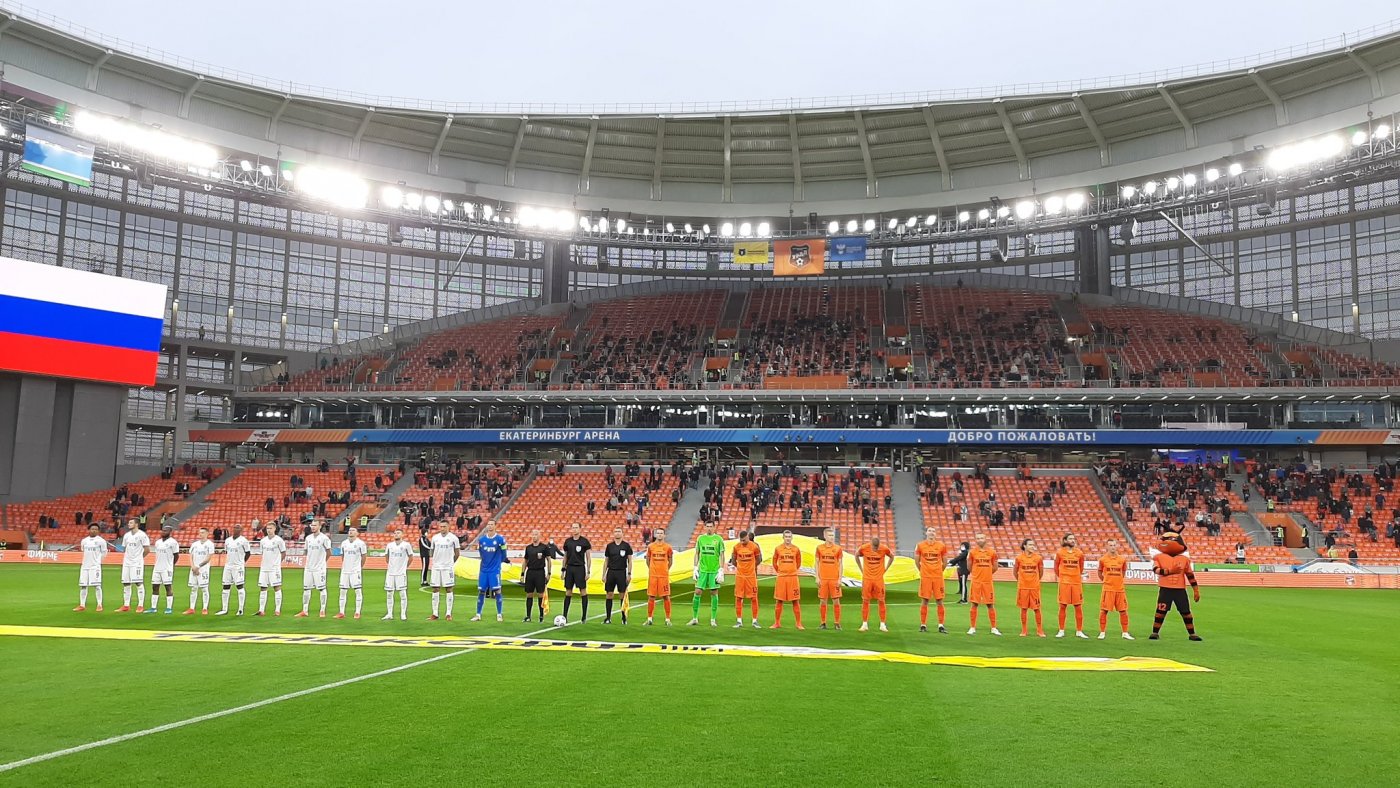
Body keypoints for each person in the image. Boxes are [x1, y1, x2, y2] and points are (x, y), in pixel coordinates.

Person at [1150, 548, 1203, 641]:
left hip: (1180, 590)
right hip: (1165, 589)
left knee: (1186, 612)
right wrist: (1170, 571)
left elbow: (1190, 575)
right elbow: (1155, 570)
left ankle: (1192, 634)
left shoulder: (1185, 559)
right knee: (1160, 612)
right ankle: (1155, 632)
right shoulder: (1158, 557)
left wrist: (1196, 590)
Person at [690, 521, 726, 627]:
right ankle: (694, 618)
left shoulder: (718, 539)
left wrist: (721, 569)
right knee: (697, 591)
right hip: (703, 570)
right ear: (705, 527)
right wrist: (695, 567)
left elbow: (722, 555)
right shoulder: (701, 539)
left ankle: (713, 619)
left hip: (714, 570)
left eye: (711, 526)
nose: (709, 528)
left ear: (714, 527)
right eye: (707, 526)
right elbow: (697, 553)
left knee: (714, 593)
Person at [1054, 532, 1089, 639]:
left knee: (1078, 606)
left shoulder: (1079, 553)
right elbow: (1056, 568)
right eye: (1070, 539)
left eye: (1074, 538)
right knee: (1062, 606)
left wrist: (1075, 576)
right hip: (1064, 583)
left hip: (1076, 583)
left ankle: (1079, 631)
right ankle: (1061, 630)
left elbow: (1081, 567)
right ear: (1065, 540)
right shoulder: (1060, 552)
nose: (1073, 540)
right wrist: (1063, 577)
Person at [914, 527, 949, 633]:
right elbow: (917, 561)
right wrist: (922, 571)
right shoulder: (920, 545)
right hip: (926, 577)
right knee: (925, 600)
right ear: (926, 533)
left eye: (933, 531)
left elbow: (945, 562)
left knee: (939, 600)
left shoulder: (941, 545)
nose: (931, 533)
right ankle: (923, 625)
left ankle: (941, 625)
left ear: (936, 534)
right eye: (929, 531)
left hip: (937, 577)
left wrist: (939, 571)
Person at [1097, 538, 1133, 640]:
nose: (1113, 547)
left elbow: (1123, 572)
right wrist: (1106, 581)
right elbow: (1099, 572)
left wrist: (1119, 581)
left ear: (1116, 546)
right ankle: (1102, 632)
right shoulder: (1103, 559)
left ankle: (1125, 632)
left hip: (1119, 589)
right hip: (1108, 589)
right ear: (1107, 547)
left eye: (1114, 545)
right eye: (1110, 545)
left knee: (1123, 611)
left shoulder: (1122, 559)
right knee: (1104, 611)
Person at [856, 536, 894, 632]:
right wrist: (861, 569)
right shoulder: (864, 548)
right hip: (867, 579)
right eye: (874, 548)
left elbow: (892, 556)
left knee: (881, 600)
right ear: (871, 544)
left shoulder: (884, 548)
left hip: (878, 579)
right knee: (865, 600)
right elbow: (856, 555)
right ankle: (864, 624)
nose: (875, 549)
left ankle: (882, 624)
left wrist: (886, 568)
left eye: (877, 548)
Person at [521, 530, 559, 623]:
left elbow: (549, 560)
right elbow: (525, 561)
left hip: (540, 572)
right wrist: (522, 574)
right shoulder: (528, 548)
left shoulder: (544, 547)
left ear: (539, 536)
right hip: (530, 572)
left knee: (540, 594)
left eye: (536, 534)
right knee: (529, 594)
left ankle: (541, 616)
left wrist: (549, 573)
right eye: (533, 534)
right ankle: (528, 616)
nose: (534, 536)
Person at [967, 533, 1001, 635]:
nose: (980, 540)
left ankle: (993, 628)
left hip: (987, 582)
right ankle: (972, 627)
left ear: (985, 539)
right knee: (974, 604)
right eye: (978, 538)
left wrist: (987, 574)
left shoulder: (992, 552)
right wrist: (977, 574)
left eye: (981, 538)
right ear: (976, 540)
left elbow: (995, 567)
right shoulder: (972, 552)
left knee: (990, 604)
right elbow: (969, 567)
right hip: (976, 582)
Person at [473, 523, 507, 622]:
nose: (490, 526)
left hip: (494, 570)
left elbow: (504, 554)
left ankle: (499, 614)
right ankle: (478, 614)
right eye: (488, 524)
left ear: (495, 526)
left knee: (497, 591)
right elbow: (481, 553)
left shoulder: (500, 539)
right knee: (481, 591)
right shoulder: (482, 540)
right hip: (484, 570)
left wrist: (497, 563)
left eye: (492, 524)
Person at [297, 520, 332, 618]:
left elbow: (329, 552)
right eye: (312, 525)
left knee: (322, 589)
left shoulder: (324, 538)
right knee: (306, 589)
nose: (313, 527)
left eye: (315, 525)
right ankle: (305, 610)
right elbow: (305, 551)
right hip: (308, 568)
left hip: (319, 568)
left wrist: (322, 562)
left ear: (319, 526)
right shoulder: (308, 538)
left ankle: (322, 610)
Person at [770, 530, 804, 629]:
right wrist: (780, 570)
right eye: (786, 537)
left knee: (795, 600)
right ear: (783, 538)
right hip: (781, 577)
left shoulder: (796, 549)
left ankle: (798, 623)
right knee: (779, 600)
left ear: (792, 538)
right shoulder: (778, 549)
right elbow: (774, 561)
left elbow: (798, 563)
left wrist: (792, 570)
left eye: (789, 537)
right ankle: (777, 623)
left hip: (793, 577)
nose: (788, 539)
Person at [427, 521, 461, 621]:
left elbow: (457, 553)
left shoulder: (454, 538)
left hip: (447, 567)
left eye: (444, 526)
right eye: (441, 526)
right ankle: (435, 613)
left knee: (449, 589)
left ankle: (448, 613)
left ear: (448, 527)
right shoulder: (435, 538)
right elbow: (432, 551)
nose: (442, 528)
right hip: (436, 567)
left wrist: (451, 563)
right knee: (435, 589)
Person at [728, 530, 762, 628]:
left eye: (744, 540)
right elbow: (733, 561)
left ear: (747, 537)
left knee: (754, 598)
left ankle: (755, 621)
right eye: (741, 540)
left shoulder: (754, 547)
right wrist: (741, 568)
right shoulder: (736, 547)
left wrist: (751, 567)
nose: (742, 542)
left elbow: (759, 560)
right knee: (739, 597)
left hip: (751, 576)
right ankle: (739, 621)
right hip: (740, 576)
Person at [217, 524, 251, 616]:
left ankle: (240, 609)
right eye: (235, 527)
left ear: (241, 530)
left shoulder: (244, 541)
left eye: (238, 528)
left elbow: (248, 553)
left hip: (238, 567)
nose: (236, 529)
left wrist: (242, 563)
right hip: (228, 566)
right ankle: (224, 609)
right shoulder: (228, 540)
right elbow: (227, 551)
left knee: (239, 586)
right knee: (225, 587)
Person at [561, 522, 592, 623]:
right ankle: (564, 616)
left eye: (576, 527)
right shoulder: (568, 542)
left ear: (580, 529)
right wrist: (563, 570)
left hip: (580, 568)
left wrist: (588, 571)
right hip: (569, 568)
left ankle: (584, 616)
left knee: (582, 591)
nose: (574, 529)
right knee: (568, 591)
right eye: (573, 527)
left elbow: (588, 557)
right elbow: (565, 556)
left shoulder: (584, 542)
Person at [380, 527, 413, 621]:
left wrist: (404, 567)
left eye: (398, 533)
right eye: (395, 533)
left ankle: (403, 614)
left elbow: (411, 557)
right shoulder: (389, 545)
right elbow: (387, 557)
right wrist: (391, 566)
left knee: (402, 593)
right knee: (389, 593)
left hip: (401, 573)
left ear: (402, 535)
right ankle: (389, 614)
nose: (396, 534)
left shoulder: (406, 545)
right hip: (390, 573)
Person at [602, 527, 634, 624]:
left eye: (619, 531)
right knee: (609, 594)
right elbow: (606, 561)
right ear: (613, 533)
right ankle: (608, 618)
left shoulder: (626, 546)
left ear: (622, 533)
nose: (617, 533)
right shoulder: (609, 546)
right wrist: (604, 574)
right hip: (611, 572)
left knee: (622, 595)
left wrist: (629, 573)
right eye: (615, 531)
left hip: (621, 572)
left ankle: (624, 618)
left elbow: (630, 561)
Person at [1014, 538, 1045, 638]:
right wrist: (1021, 581)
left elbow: (1041, 572)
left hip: (1034, 587)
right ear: (1025, 546)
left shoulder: (1038, 558)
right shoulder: (1019, 558)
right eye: (1030, 545)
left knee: (1037, 609)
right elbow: (1015, 572)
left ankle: (1039, 630)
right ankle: (1024, 630)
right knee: (1023, 609)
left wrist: (1035, 581)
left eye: (1033, 545)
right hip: (1023, 587)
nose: (1032, 546)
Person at [814, 529, 844, 630]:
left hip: (834, 579)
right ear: (825, 536)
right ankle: (823, 623)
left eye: (832, 535)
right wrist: (817, 577)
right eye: (830, 535)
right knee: (823, 601)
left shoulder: (838, 549)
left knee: (836, 600)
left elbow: (840, 564)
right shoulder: (819, 548)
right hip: (823, 578)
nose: (832, 537)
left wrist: (840, 579)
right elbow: (816, 562)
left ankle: (837, 623)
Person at [117, 519, 150, 613]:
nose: (128, 524)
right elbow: (125, 548)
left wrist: (139, 558)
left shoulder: (142, 535)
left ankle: (140, 605)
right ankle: (126, 605)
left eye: (131, 523)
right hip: (127, 562)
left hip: (137, 563)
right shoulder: (126, 535)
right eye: (129, 522)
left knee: (138, 582)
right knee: (126, 583)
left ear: (136, 524)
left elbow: (147, 549)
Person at [644, 528, 674, 626]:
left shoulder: (668, 547)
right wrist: (652, 569)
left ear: (664, 535)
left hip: (663, 576)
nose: (660, 535)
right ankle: (649, 619)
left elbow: (670, 561)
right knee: (651, 596)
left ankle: (668, 619)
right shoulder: (650, 546)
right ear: (655, 535)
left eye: (661, 533)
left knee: (666, 596)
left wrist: (665, 570)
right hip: (653, 575)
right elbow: (648, 560)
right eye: (658, 533)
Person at [148, 526, 180, 615]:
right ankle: (153, 608)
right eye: (163, 530)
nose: (163, 532)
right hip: (157, 568)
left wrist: (171, 565)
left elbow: (176, 555)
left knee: (168, 587)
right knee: (155, 587)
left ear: (170, 532)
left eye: (165, 531)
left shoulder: (173, 542)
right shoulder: (158, 542)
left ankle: (169, 608)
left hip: (167, 568)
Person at [256, 522, 286, 616]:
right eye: (267, 528)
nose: (269, 530)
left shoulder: (279, 540)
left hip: (274, 569)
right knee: (263, 588)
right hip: (264, 568)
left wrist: (278, 563)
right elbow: (262, 553)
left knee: (276, 587)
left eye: (270, 528)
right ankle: (261, 610)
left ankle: (277, 610)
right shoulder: (263, 541)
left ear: (274, 529)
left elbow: (283, 553)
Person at [184, 528, 216, 615]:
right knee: (193, 588)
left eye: (203, 532)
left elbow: (208, 558)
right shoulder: (194, 544)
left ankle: (205, 608)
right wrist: (193, 567)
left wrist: (198, 567)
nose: (200, 534)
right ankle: (191, 608)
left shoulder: (210, 544)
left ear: (207, 533)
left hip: (203, 570)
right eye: (200, 533)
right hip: (194, 569)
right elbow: (191, 556)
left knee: (204, 589)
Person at [75, 524, 107, 612]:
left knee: (97, 586)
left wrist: (98, 562)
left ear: (98, 531)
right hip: (85, 566)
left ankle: (99, 604)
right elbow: (83, 550)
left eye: (96, 529)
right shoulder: (84, 541)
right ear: (89, 530)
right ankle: (82, 605)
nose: (94, 530)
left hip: (95, 567)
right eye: (92, 529)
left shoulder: (101, 541)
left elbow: (104, 553)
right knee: (83, 585)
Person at [337, 527, 367, 619]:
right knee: (342, 591)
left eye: (353, 530)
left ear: (357, 533)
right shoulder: (344, 543)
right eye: (350, 530)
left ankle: (357, 612)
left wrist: (359, 567)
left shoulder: (361, 543)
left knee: (357, 590)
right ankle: (341, 612)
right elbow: (342, 556)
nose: (351, 532)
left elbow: (364, 556)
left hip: (355, 571)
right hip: (345, 571)